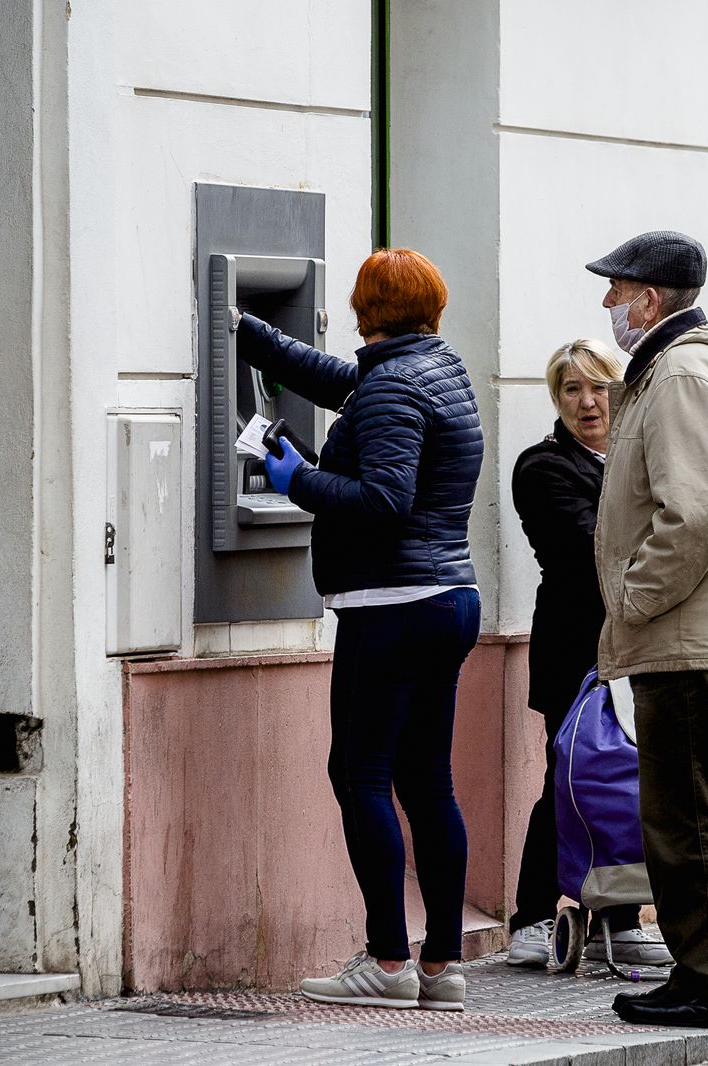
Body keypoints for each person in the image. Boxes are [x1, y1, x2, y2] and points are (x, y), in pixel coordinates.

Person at [236, 248, 483, 1012]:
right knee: (428, 782)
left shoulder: (392, 386)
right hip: (448, 598)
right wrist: (250, 333)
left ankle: (385, 960)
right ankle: (442, 966)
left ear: (365, 309)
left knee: (361, 778)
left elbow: (383, 499)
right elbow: (346, 383)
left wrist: (293, 479)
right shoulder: (437, 369)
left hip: (390, 604)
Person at [584, 230, 708, 1028]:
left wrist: (633, 598)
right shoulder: (679, 367)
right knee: (689, 812)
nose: (608, 304)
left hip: (683, 632)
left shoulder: (684, 373)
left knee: (685, 817)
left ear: (650, 300)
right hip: (689, 629)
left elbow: (695, 511)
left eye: (616, 290)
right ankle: (704, 974)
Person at [504, 339, 673, 971]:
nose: (588, 402)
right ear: (558, 399)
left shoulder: (636, 462)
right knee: (570, 784)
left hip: (637, 649)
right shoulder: (542, 467)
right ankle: (531, 916)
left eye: (600, 387)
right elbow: (590, 545)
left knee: (627, 787)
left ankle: (622, 917)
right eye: (573, 389)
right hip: (574, 653)